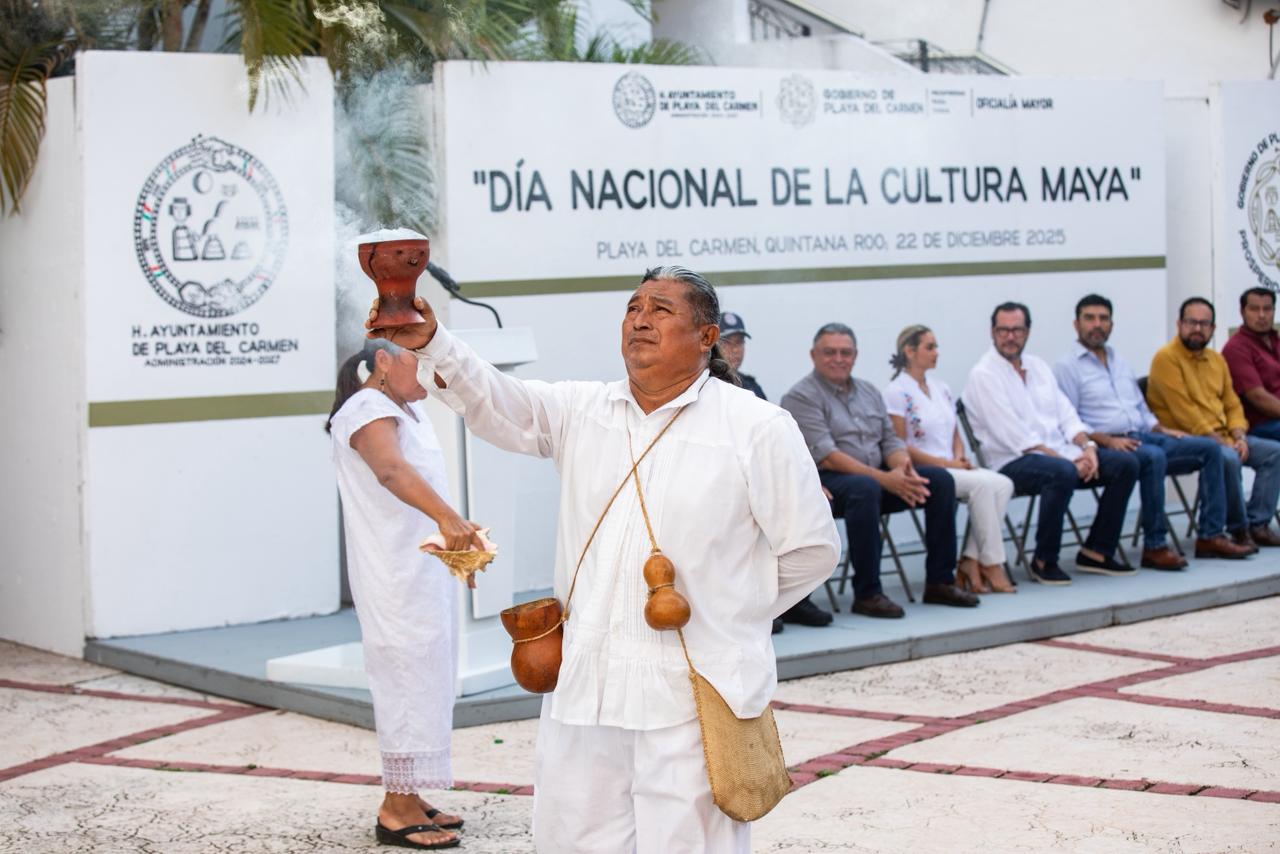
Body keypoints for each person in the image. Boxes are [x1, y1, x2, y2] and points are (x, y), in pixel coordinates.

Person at [368, 266, 839, 853]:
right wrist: (435, 342)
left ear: (707, 337)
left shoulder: (758, 426)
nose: (640, 318)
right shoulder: (583, 409)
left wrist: (725, 613)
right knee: (574, 841)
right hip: (586, 685)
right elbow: (497, 401)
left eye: (662, 309)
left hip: (693, 692)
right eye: (633, 306)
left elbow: (812, 549)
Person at [327, 341, 482, 851]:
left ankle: (411, 794)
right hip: (393, 577)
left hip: (419, 572)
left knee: (425, 678)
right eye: (421, 360)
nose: (431, 374)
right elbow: (391, 472)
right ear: (385, 361)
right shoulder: (367, 407)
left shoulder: (404, 408)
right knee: (404, 679)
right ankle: (396, 806)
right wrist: (448, 519)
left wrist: (458, 545)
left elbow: (416, 493)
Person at [781, 322, 979, 617]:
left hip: (882, 478)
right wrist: (886, 479)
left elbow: (891, 440)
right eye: (830, 352)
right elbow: (830, 456)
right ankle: (868, 593)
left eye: (845, 352)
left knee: (940, 480)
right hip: (832, 483)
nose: (838, 358)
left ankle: (940, 581)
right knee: (865, 489)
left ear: (855, 355)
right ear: (813, 355)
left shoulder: (869, 391)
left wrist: (903, 467)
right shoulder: (801, 396)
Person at [1054, 295, 1252, 565]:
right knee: (1153, 457)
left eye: (1103, 318)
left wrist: (1162, 429)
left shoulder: (1118, 360)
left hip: (1142, 435)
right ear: (1077, 325)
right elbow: (1069, 420)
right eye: (1090, 318)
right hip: (1104, 444)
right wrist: (1107, 440)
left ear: (1112, 324)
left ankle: (1210, 535)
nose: (1097, 324)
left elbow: (1140, 409)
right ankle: (1155, 546)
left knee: (1209, 448)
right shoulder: (1067, 367)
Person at [964, 301, 1139, 585]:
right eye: (1003, 330)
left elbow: (1067, 414)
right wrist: (1071, 460)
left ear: (1028, 332)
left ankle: (1096, 550)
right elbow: (1015, 437)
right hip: (1010, 462)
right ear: (992, 332)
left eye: (1017, 330)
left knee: (1127, 464)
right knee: (1062, 472)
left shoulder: (1039, 367)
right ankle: (1045, 559)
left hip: (1062, 455)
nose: (1010, 337)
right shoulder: (984, 375)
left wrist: (1088, 448)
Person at [719, 310, 832, 631]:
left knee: (798, 511)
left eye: (740, 342)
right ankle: (764, 603)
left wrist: (805, 484)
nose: (736, 349)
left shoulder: (751, 386)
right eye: (729, 342)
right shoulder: (706, 387)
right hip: (731, 481)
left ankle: (795, 600)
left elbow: (777, 446)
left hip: (761, 479)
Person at [883, 325, 1017, 593]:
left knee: (1003, 484)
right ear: (909, 351)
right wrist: (947, 464)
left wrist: (958, 455)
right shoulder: (897, 391)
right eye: (929, 347)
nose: (936, 353)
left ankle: (970, 559)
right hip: (927, 469)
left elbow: (954, 431)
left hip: (954, 465)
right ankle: (992, 563)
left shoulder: (941, 387)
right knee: (981, 486)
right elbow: (901, 445)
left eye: (936, 346)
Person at [1147, 296, 1280, 548]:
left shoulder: (1216, 360)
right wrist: (1223, 442)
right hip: (1187, 439)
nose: (1198, 329)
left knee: (1273, 453)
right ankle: (1236, 531)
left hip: (1227, 436)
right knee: (1226, 458)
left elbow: (1232, 404)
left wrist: (1239, 436)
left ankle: (1258, 523)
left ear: (1213, 328)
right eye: (1192, 322)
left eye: (1204, 324)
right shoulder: (1166, 358)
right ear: (1179, 324)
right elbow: (1185, 413)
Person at [1223, 287, 1280, 442]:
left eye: (1267, 309)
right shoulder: (1236, 348)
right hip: (1260, 424)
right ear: (1242, 312)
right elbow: (1258, 398)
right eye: (1254, 309)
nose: (1262, 315)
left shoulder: (1276, 341)